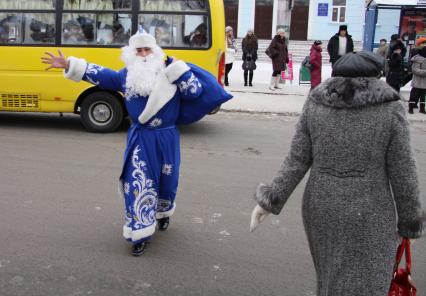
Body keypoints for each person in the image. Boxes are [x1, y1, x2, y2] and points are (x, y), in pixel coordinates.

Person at [250, 51, 425, 296]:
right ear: (377, 75)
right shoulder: (389, 108)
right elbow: (403, 171)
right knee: (367, 282)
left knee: (330, 277)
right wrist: (410, 222)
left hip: (320, 208)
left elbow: (297, 159)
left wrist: (270, 200)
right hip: (369, 212)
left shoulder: (316, 103)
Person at [41, 30, 231, 256]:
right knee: (139, 182)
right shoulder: (126, 75)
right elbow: (102, 75)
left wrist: (180, 71)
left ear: (155, 50)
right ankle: (140, 232)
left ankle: (163, 213)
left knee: (167, 182)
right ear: (131, 53)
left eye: (146, 49)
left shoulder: (171, 70)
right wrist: (70, 64)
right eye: (138, 50)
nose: (142, 54)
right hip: (141, 138)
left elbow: (194, 93)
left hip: (167, 137)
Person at [408, 46, 426, 114]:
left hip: (424, 82)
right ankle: (411, 108)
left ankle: (422, 108)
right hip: (418, 81)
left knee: (423, 96)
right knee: (414, 96)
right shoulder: (418, 59)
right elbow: (415, 70)